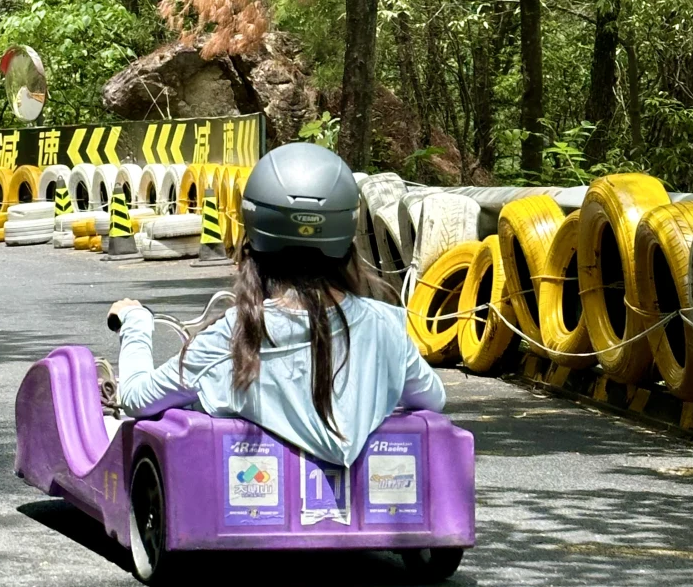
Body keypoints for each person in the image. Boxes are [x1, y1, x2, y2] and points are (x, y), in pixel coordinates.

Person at [107, 143, 446, 467]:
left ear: (255, 232)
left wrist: (136, 322)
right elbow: (432, 398)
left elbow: (137, 398)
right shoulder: (386, 325)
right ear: (345, 234)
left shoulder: (235, 334)